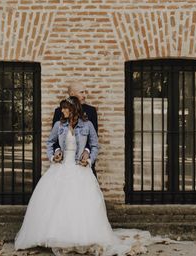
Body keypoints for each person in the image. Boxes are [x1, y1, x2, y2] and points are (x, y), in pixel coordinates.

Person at [14, 96, 150, 255]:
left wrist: (89, 157)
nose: (62, 111)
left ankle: (80, 238)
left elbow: (94, 145)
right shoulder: (59, 125)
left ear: (74, 109)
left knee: (80, 204)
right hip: (62, 168)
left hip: (80, 168)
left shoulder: (87, 125)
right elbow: (50, 143)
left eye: (65, 108)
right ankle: (59, 237)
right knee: (58, 203)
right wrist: (54, 155)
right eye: (62, 108)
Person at [52, 82, 98, 173]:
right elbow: (55, 137)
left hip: (82, 160)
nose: (85, 95)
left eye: (85, 92)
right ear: (72, 94)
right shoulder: (59, 112)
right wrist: (57, 150)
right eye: (82, 92)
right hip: (63, 160)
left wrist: (87, 151)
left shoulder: (91, 111)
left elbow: (94, 137)